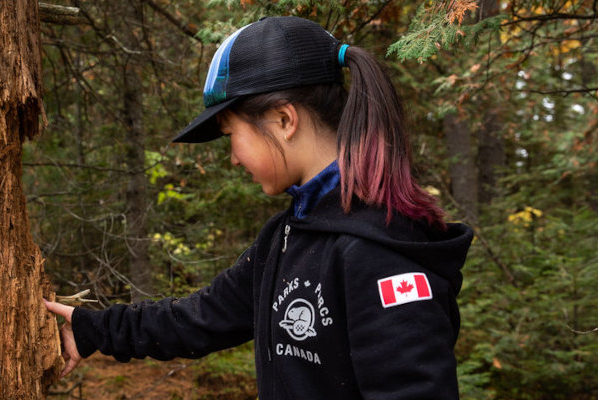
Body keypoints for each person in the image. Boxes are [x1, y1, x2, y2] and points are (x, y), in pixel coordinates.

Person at [44, 16, 473, 399]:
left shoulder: (379, 252)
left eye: (231, 133)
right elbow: (201, 317)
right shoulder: (287, 236)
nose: (232, 157)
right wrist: (92, 330)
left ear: (285, 120)